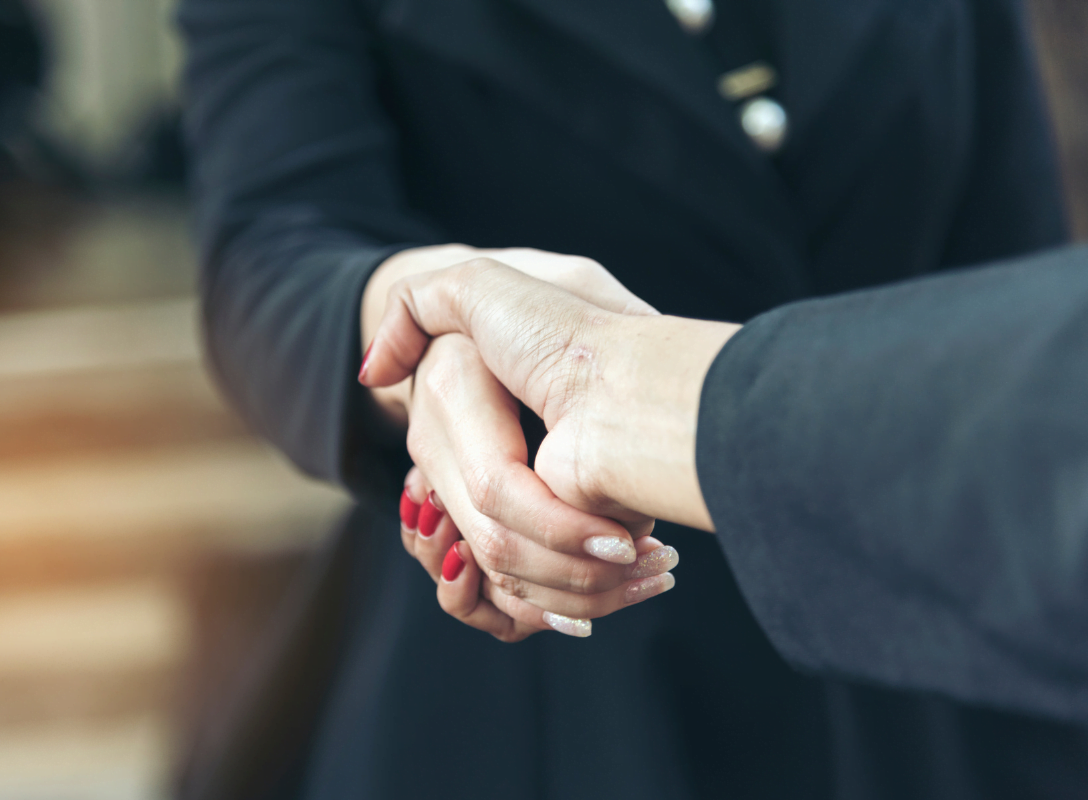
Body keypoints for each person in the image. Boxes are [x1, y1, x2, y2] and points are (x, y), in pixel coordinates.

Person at [176, 0, 1086, 797]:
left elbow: (1008, 290)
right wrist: (432, 326)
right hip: (565, 638)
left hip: (910, 616)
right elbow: (272, 247)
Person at [362, 244, 1088, 726]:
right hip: (585, 707)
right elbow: (274, 241)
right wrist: (429, 336)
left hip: (952, 665)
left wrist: (601, 380)